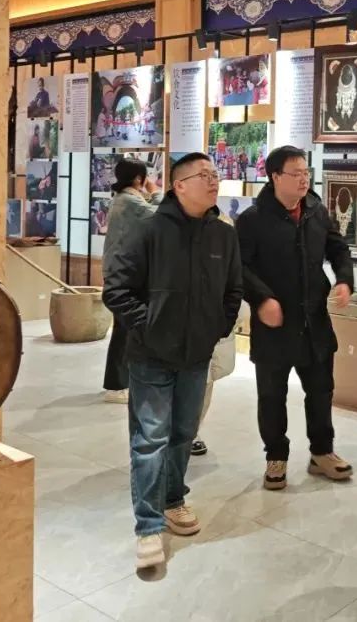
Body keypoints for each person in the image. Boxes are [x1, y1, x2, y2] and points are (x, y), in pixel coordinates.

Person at [102, 153, 242, 570]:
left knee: (183, 433)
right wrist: (150, 327)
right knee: (151, 438)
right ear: (179, 185)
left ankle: (173, 498)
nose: (214, 181)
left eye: (216, 174)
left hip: (196, 355)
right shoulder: (147, 229)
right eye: (204, 175)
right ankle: (148, 525)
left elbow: (233, 290)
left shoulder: (223, 235)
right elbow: (117, 289)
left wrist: (216, 328)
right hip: (151, 355)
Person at [236, 146, 355, 491]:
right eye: (296, 173)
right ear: (275, 177)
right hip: (274, 324)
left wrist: (344, 279)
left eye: (306, 172)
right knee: (271, 395)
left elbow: (338, 248)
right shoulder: (253, 219)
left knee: (321, 390)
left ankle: (322, 452)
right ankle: (276, 456)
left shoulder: (316, 210)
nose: (304, 179)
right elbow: (239, 267)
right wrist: (262, 298)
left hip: (314, 319)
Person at [100, 158, 163, 404]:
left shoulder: (122, 199)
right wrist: (156, 192)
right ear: (139, 178)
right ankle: (116, 385)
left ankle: (121, 382)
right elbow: (159, 217)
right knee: (124, 332)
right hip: (124, 275)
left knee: (125, 330)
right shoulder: (131, 202)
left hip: (119, 271)